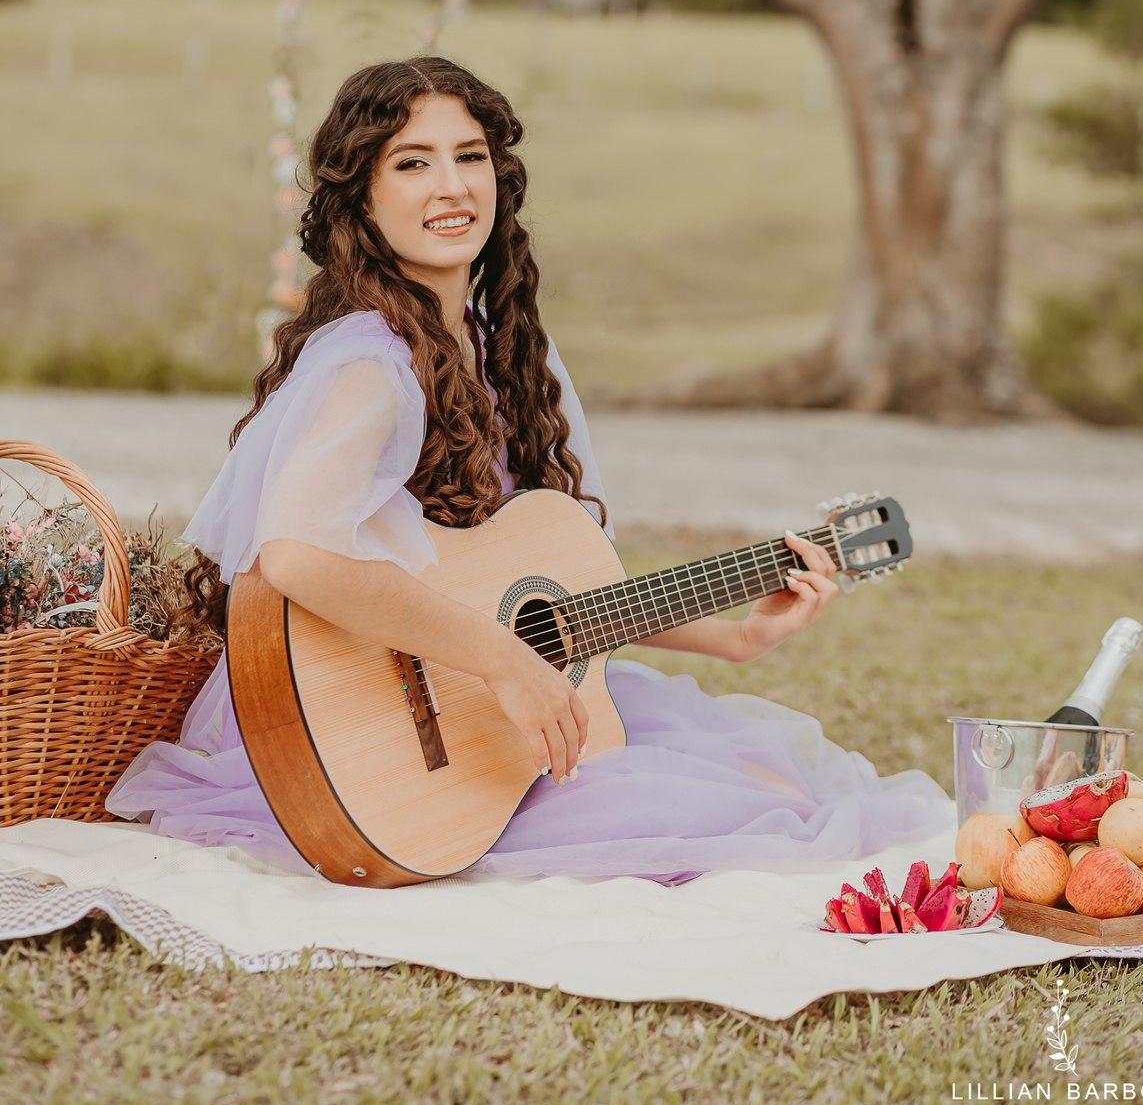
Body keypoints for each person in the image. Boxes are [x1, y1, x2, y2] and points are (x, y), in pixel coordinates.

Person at [108, 57, 948, 880]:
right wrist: (503, 662)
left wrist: (734, 637)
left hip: (478, 710)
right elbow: (294, 556)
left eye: (471, 157)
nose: (453, 186)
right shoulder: (370, 365)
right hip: (369, 732)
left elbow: (538, 596)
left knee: (771, 784)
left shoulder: (495, 347)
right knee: (769, 812)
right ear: (361, 200)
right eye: (413, 163)